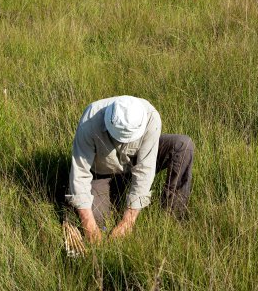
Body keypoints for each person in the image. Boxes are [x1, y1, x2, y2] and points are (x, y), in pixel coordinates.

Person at [66, 95, 194, 243]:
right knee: (98, 221)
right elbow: (80, 173)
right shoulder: (89, 121)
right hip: (102, 174)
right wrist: (89, 225)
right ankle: (108, 196)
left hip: (134, 164)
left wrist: (128, 220)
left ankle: (172, 217)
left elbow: (145, 169)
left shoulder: (150, 117)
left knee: (183, 146)